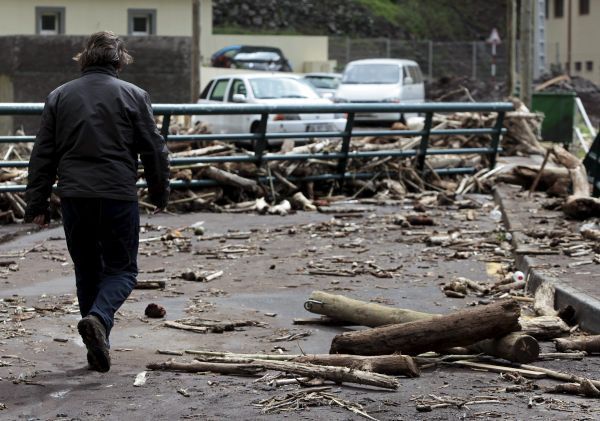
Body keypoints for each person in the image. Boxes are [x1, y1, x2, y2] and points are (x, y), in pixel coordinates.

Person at [24, 31, 170, 373]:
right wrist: (159, 191)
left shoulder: (59, 96)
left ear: (84, 60)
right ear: (119, 61)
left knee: (87, 270)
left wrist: (37, 205)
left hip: (75, 196)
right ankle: (100, 320)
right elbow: (154, 148)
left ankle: (97, 346)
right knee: (122, 270)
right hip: (117, 194)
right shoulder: (134, 95)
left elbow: (42, 154)